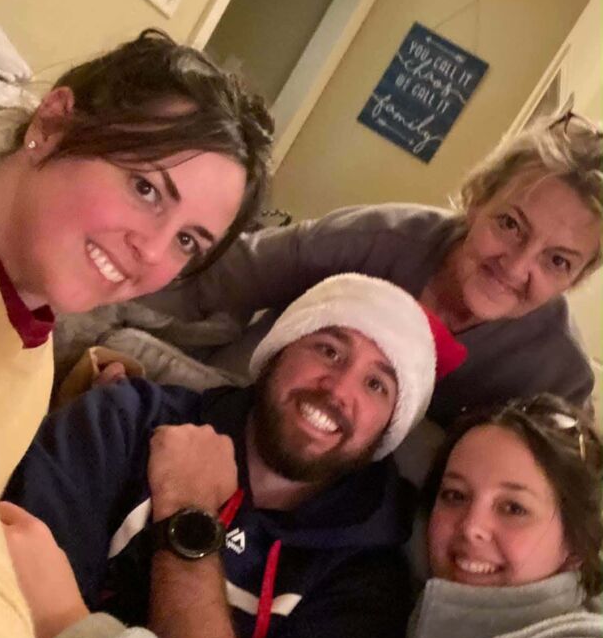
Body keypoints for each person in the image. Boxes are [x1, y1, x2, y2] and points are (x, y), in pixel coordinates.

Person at [0, 25, 272, 638]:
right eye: (145, 187)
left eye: (188, 240)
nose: (152, 251)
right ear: (51, 124)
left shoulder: (31, 344)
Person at [3, 273, 467, 638]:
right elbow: (12, 609)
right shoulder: (121, 421)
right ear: (279, 350)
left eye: (376, 385)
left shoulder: (370, 584)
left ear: (389, 429)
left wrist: (188, 516)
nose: (338, 390)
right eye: (329, 351)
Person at [3, 393, 602, 638]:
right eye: (455, 495)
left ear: (579, 544)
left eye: (513, 508)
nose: (470, 527)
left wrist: (68, 637)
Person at [129, 105, 603, 426]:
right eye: (510, 225)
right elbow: (218, 277)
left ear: (577, 278)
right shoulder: (377, 239)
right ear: (477, 200)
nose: (516, 267)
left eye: (557, 260)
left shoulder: (559, 378)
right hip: (229, 407)